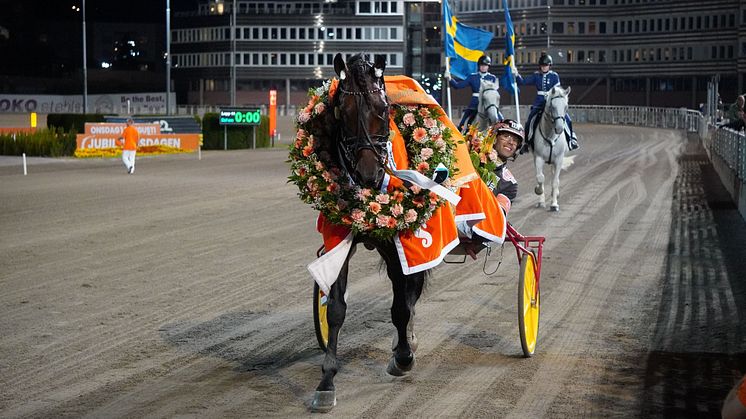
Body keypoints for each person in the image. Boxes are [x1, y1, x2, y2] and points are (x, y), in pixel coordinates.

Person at [462, 119, 523, 260]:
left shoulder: (510, 183)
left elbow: (498, 214)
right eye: (506, 136)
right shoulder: (471, 154)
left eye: (515, 140)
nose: (511, 142)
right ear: (494, 139)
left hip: (474, 225)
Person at [514, 53, 579, 153]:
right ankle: (527, 143)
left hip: (552, 101)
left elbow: (557, 89)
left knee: (567, 118)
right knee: (530, 120)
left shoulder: (554, 76)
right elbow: (523, 82)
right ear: (540, 66)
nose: (544, 67)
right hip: (539, 102)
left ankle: (571, 138)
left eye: (546, 65)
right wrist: (516, 75)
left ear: (549, 66)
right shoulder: (536, 76)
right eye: (542, 66)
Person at [445, 55, 499, 133]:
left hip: (488, 102)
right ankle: (460, 132)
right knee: (463, 121)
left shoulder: (492, 78)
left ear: (488, 66)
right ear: (479, 66)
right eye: (482, 65)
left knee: (499, 119)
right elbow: (458, 86)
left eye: (485, 65)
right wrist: (450, 79)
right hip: (475, 103)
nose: (483, 67)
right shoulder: (472, 77)